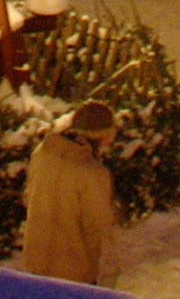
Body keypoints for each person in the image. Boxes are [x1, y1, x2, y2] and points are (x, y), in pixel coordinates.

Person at [21, 100, 121, 285]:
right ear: (104, 136)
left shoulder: (42, 153)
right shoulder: (93, 172)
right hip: (73, 275)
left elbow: (28, 197)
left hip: (35, 267)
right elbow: (99, 230)